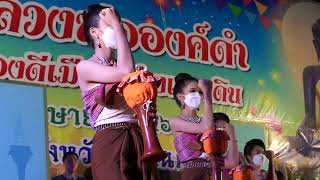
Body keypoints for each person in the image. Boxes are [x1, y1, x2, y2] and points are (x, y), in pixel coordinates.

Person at [76, 4, 158, 180]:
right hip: (110, 141)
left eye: (119, 24)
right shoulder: (84, 66)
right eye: (111, 25)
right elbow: (124, 72)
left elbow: (126, 70)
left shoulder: (128, 68)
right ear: (95, 32)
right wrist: (117, 26)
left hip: (137, 139)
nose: (118, 28)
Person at [169, 73, 239, 180]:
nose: (198, 95)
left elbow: (231, 163)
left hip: (212, 173)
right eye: (193, 91)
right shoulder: (175, 121)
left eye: (200, 92)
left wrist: (232, 135)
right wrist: (207, 94)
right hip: (193, 175)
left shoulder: (206, 122)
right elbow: (206, 129)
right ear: (181, 97)